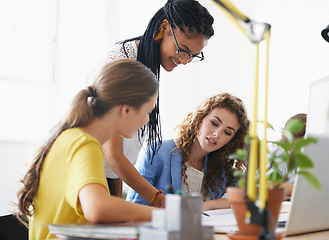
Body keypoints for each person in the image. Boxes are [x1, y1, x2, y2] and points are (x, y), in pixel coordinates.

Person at [16, 59, 159, 240]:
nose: (147, 120)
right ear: (127, 110)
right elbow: (97, 208)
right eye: (148, 111)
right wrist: (164, 216)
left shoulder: (70, 138)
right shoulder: (84, 144)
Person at [92, 0, 215, 206]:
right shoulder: (123, 65)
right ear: (164, 27)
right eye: (183, 49)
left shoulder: (146, 64)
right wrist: (158, 199)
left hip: (107, 179)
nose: (184, 61)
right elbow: (113, 153)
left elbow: (117, 160)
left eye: (192, 56)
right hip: (89, 177)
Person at [126, 93, 250, 211]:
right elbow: (135, 206)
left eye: (227, 132)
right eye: (214, 123)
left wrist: (208, 205)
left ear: (231, 140)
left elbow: (244, 197)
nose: (217, 134)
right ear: (200, 118)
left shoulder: (222, 170)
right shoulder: (157, 152)